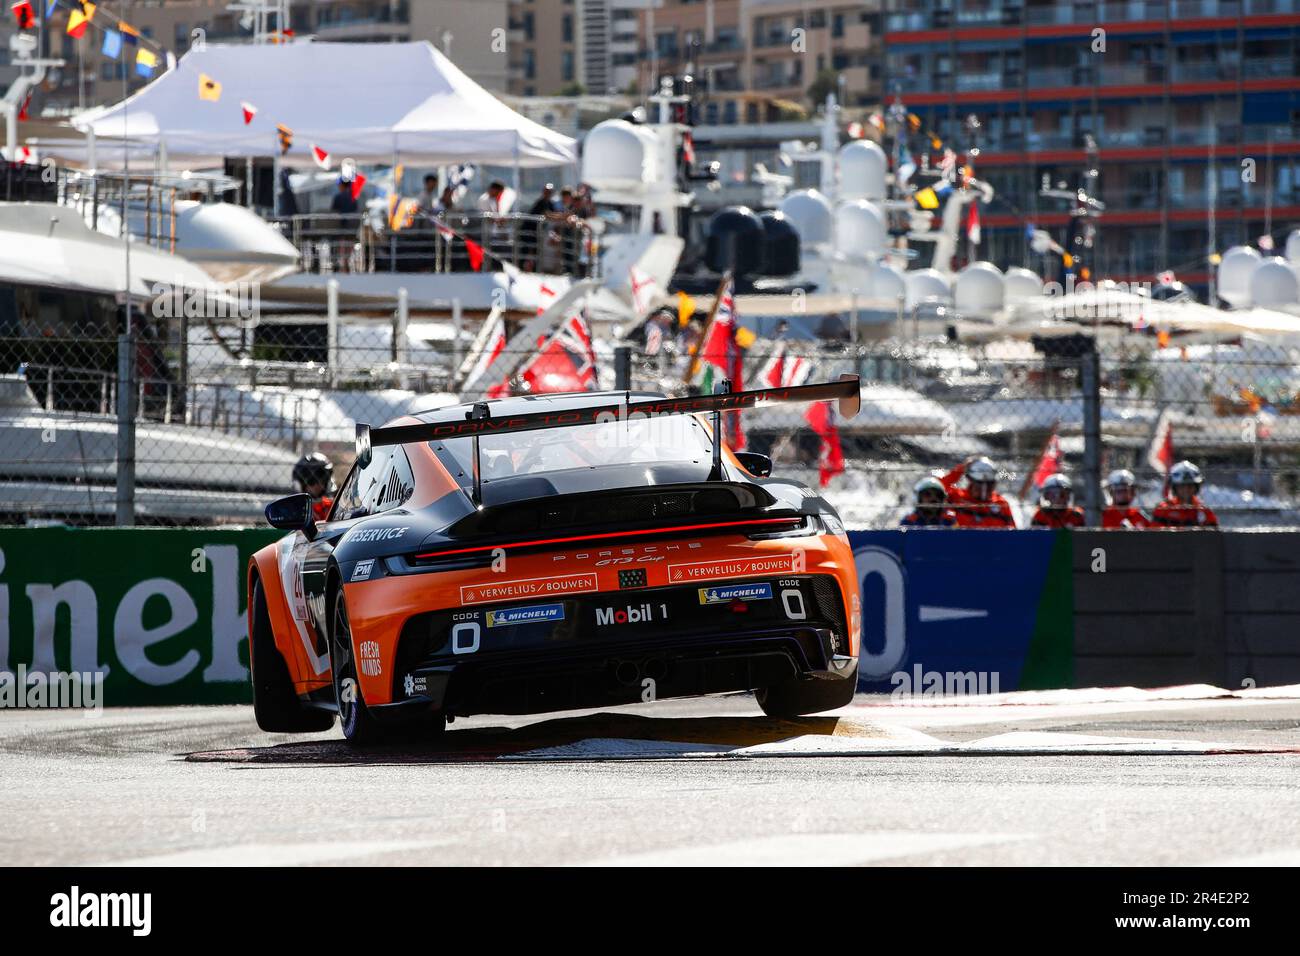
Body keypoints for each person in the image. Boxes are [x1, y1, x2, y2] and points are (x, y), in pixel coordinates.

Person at [941, 455, 1016, 528]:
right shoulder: (956, 497)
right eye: (980, 484)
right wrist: (961, 469)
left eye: (989, 484)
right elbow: (935, 486)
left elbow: (1013, 534)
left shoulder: (1001, 503)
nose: (984, 488)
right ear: (971, 480)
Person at [1152, 460, 1219, 528]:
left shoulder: (1204, 511)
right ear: (1174, 487)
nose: (1186, 489)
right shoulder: (1164, 509)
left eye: (1190, 485)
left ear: (1196, 487)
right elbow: (1156, 535)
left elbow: (1213, 536)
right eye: (1182, 486)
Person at [293, 453, 336, 522]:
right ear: (301, 483)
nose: (316, 486)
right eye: (311, 482)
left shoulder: (333, 507)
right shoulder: (295, 509)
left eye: (322, 481)